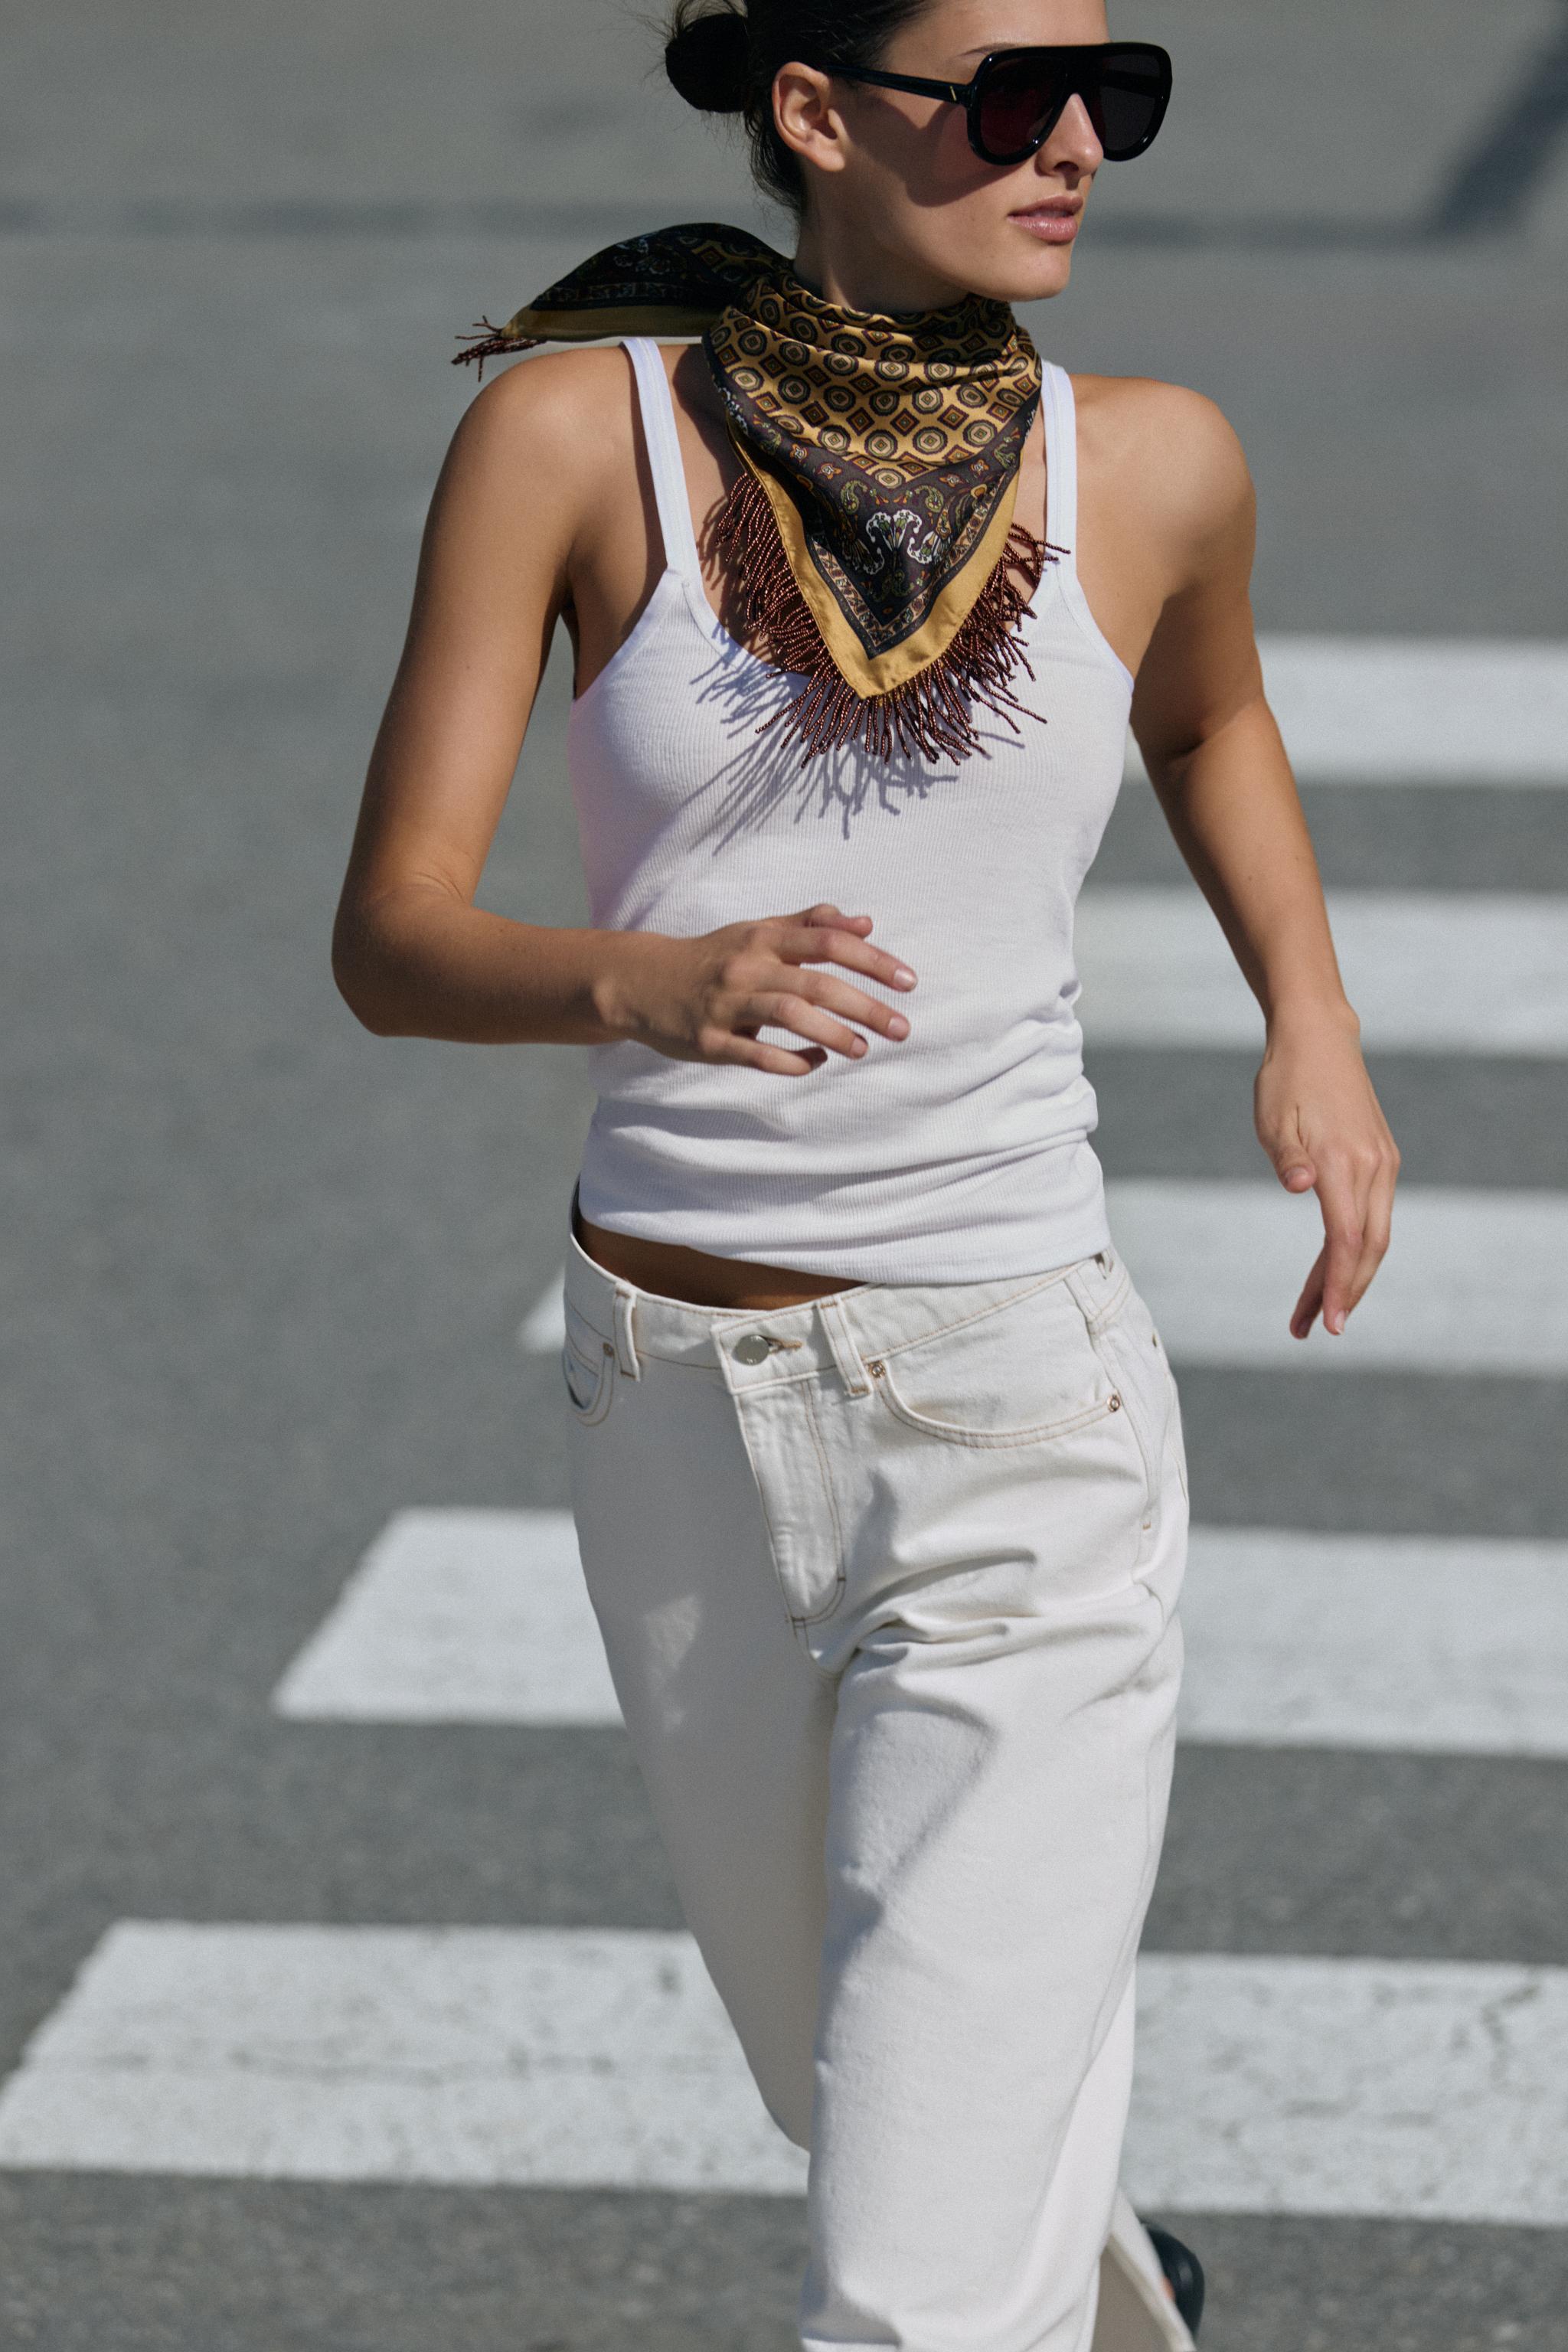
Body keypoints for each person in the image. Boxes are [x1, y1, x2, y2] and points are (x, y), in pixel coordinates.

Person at [332, 1, 1400, 2344]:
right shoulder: (566, 438)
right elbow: (391, 939)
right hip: (678, 1405)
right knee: (878, 2096)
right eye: (1011, 97)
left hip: (1019, 1414)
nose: (1074, 149)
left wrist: (1310, 1025)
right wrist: (644, 983)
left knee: (909, 2285)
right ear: (814, 110)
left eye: (1112, 95)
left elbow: (1211, 706)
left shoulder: (1156, 465)